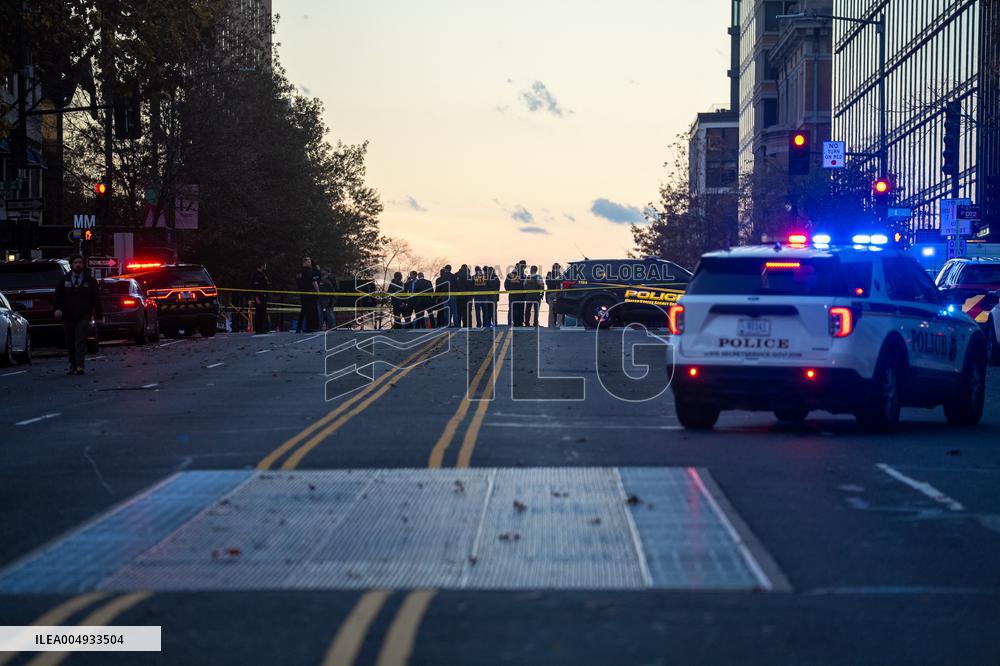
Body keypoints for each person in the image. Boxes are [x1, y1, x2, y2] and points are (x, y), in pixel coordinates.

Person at [53, 254, 101, 375]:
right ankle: (72, 364)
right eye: (75, 262)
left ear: (83, 264)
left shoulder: (90, 281)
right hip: (68, 316)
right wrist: (57, 309)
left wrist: (99, 316)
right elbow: (58, 296)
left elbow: (96, 299)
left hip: (84, 316)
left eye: (80, 262)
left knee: (80, 340)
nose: (78, 264)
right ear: (71, 265)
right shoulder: (64, 280)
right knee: (70, 341)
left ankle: (80, 365)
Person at [296, 257, 320, 333]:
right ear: (305, 262)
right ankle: (309, 328)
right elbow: (314, 282)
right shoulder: (308, 271)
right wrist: (318, 292)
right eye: (309, 262)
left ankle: (298, 328)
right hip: (309, 293)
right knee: (310, 311)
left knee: (303, 311)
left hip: (302, 293)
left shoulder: (299, 271)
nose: (310, 263)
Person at [250, 261, 271, 334]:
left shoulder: (263, 274)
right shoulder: (256, 275)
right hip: (259, 297)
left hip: (264, 296)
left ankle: (263, 328)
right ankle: (258, 329)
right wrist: (256, 297)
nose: (265, 266)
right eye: (264, 264)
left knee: (263, 312)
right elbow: (255, 287)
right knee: (259, 312)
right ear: (261, 266)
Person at [546, 262, 564, 328]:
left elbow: (547, 282)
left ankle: (550, 324)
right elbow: (560, 282)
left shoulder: (549, 274)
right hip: (557, 293)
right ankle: (559, 323)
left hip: (550, 293)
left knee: (551, 310)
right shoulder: (559, 274)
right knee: (559, 309)